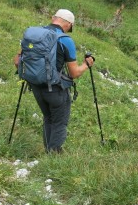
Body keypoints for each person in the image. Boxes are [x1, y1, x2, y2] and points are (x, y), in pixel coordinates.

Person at [13, 9, 94, 153]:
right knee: (59, 121)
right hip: (55, 88)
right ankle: (54, 155)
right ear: (68, 24)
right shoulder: (65, 40)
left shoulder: (34, 34)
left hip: (35, 86)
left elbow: (17, 61)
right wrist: (87, 64)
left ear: (53, 18)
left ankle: (48, 151)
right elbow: (74, 73)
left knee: (48, 117)